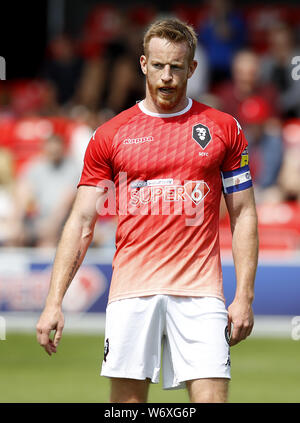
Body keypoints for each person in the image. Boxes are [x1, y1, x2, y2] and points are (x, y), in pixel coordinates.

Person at [36, 18, 258, 403]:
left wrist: (245, 296)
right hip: (131, 292)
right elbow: (83, 220)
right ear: (143, 64)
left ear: (192, 68)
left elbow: (244, 215)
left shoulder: (224, 128)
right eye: (158, 65)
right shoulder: (109, 134)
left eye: (176, 66)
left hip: (201, 293)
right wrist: (54, 301)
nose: (167, 76)